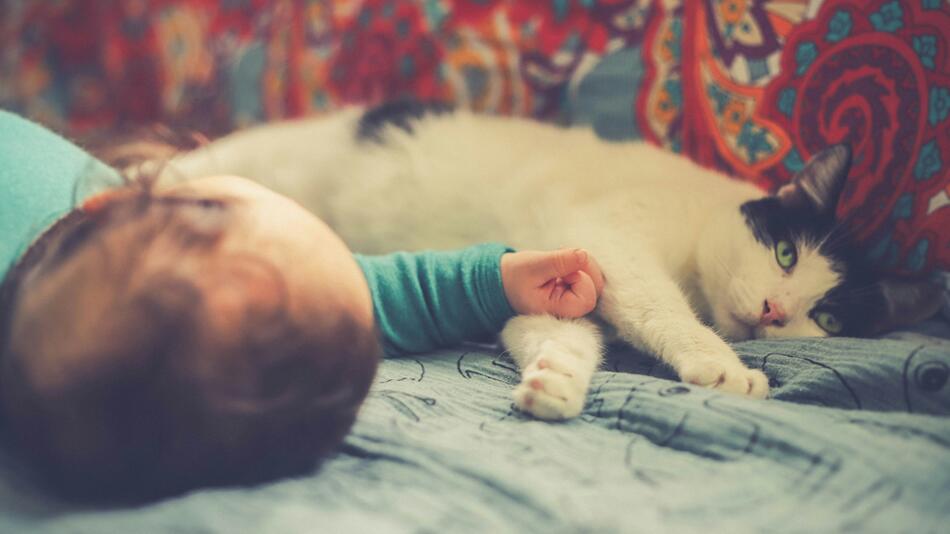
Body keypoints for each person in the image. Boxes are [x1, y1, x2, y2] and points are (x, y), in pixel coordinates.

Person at [0, 111, 604, 501]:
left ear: (117, 205)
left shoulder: (102, 257)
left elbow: (355, 297)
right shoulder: (108, 285)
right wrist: (489, 284)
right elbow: (376, 294)